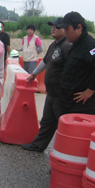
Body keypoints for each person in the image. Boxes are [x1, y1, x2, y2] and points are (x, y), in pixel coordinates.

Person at [22, 18, 72, 152]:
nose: (53, 28)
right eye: (52, 26)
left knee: (63, 124)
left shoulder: (67, 46)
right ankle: (38, 145)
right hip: (52, 92)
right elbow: (44, 61)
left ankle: (64, 152)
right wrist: (33, 74)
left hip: (62, 94)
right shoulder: (54, 45)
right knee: (47, 121)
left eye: (57, 27)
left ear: (65, 30)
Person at [56, 11, 95, 115]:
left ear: (79, 27)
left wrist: (90, 91)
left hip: (81, 107)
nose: (65, 32)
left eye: (67, 29)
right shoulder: (76, 45)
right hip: (69, 103)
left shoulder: (89, 45)